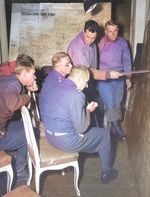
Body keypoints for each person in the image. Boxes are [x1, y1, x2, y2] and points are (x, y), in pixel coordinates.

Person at [40, 65, 118, 185]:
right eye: (86, 82)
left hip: (50, 136)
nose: (86, 85)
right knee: (105, 135)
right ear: (80, 79)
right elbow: (81, 129)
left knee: (86, 128)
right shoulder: (77, 95)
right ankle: (107, 172)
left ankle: (94, 151)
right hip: (66, 141)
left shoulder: (55, 87)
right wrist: (87, 110)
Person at [67, 20, 122, 128]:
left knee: (98, 106)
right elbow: (87, 71)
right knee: (85, 111)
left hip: (89, 81)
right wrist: (108, 75)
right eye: (87, 37)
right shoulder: (77, 48)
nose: (90, 40)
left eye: (93, 38)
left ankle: (100, 130)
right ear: (83, 32)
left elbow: (94, 63)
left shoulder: (92, 41)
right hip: (79, 83)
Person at [0, 55, 37, 190]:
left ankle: (18, 163)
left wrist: (27, 89)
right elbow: (12, 103)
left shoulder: (8, 78)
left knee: (26, 127)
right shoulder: (12, 84)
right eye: (32, 74)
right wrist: (27, 96)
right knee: (28, 134)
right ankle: (20, 169)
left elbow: (11, 92)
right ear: (24, 73)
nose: (34, 77)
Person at [97, 20, 132, 141]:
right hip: (104, 79)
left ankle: (111, 130)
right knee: (111, 104)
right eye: (110, 31)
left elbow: (127, 61)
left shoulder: (123, 43)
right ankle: (118, 130)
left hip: (119, 77)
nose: (113, 34)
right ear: (106, 31)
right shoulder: (101, 43)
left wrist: (128, 78)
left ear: (118, 30)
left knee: (117, 104)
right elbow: (94, 62)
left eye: (115, 31)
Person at [39, 52, 73, 118]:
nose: (71, 66)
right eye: (67, 64)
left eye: (70, 63)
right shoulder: (57, 82)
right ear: (58, 67)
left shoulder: (54, 75)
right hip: (50, 116)